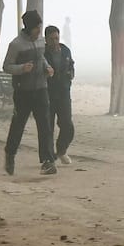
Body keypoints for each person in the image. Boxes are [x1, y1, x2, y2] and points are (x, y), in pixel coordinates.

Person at [2, 10, 57, 176]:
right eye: (36, 28)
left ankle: (47, 161)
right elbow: (6, 66)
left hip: (41, 89)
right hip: (23, 92)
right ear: (28, 27)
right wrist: (21, 69)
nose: (39, 31)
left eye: (40, 27)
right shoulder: (16, 45)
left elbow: (41, 58)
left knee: (45, 126)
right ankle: (10, 154)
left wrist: (47, 67)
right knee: (18, 126)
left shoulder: (41, 41)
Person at [44, 25, 76, 165]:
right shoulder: (42, 53)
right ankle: (49, 157)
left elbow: (71, 66)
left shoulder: (65, 50)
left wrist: (70, 76)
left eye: (56, 38)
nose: (55, 42)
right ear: (46, 40)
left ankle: (61, 150)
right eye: (51, 39)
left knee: (67, 125)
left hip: (63, 93)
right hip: (47, 94)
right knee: (47, 128)